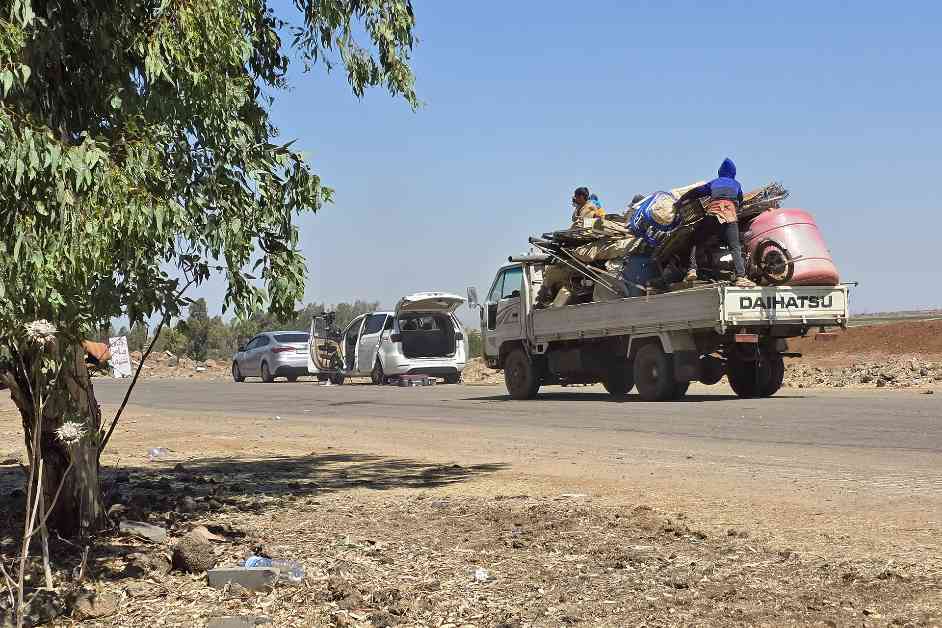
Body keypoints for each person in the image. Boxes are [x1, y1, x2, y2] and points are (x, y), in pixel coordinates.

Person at [682, 158, 756, 288]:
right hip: (730, 217)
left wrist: (681, 200)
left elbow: (696, 192)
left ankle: (692, 269)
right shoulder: (736, 184)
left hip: (713, 215)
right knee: (735, 247)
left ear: (720, 172)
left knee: (695, 240)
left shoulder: (714, 182)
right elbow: (740, 199)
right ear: (733, 173)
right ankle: (741, 277)